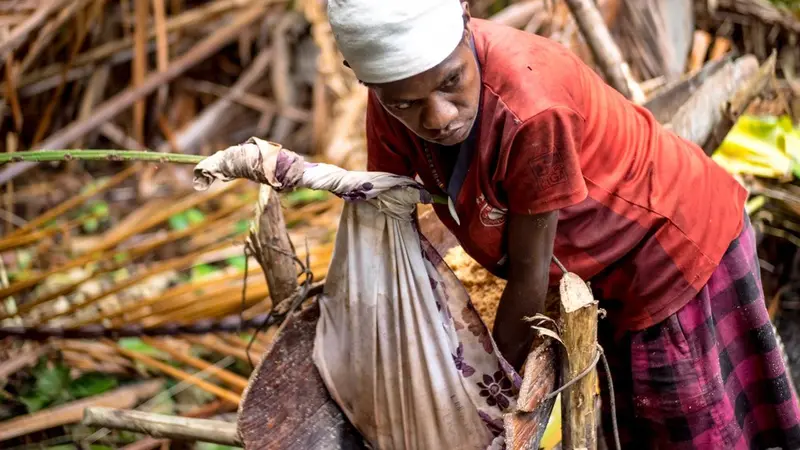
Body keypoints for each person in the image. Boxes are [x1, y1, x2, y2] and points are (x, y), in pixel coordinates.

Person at [326, 0, 800, 448]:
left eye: (451, 82)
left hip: (669, 245)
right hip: (597, 263)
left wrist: (490, 394)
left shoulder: (530, 107)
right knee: (629, 418)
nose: (438, 117)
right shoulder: (392, 97)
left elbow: (531, 280)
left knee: (687, 423)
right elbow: (382, 208)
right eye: (405, 104)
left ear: (467, 24)